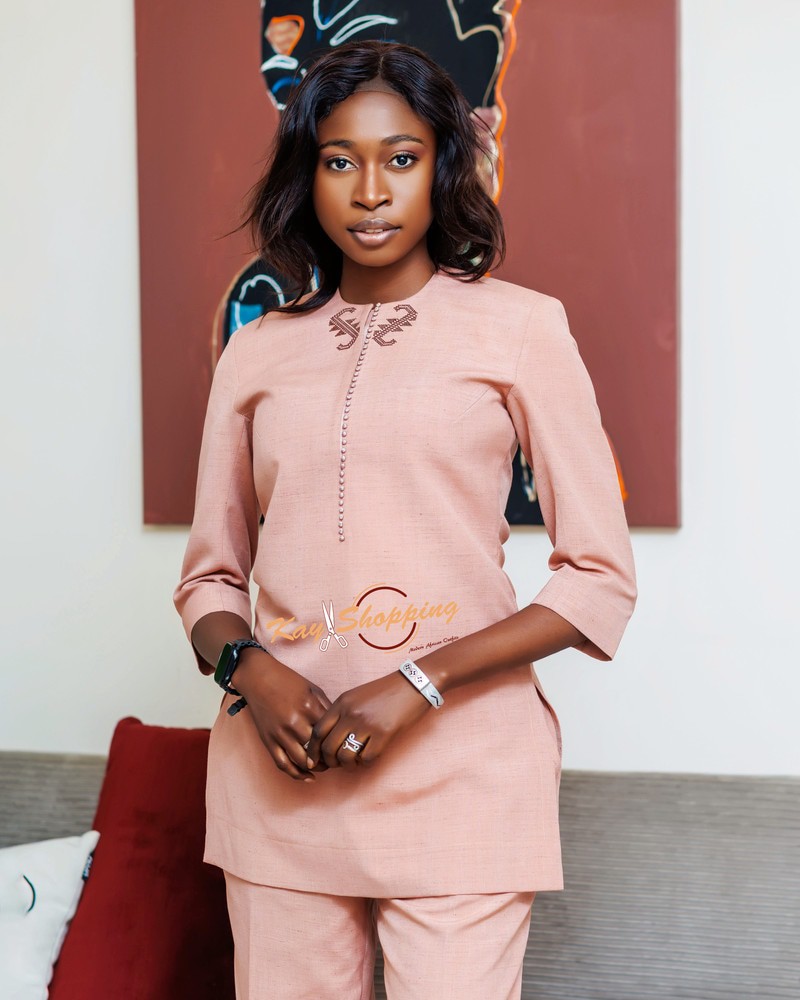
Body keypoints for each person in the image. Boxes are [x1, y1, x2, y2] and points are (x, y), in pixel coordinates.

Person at [174, 39, 637, 1000]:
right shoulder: (257, 352)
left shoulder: (521, 328)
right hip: (280, 781)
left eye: (401, 158)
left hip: (464, 776)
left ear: (443, 167)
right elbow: (208, 581)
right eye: (340, 161)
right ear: (309, 178)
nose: (371, 191)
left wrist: (418, 681)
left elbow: (598, 579)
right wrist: (250, 669)